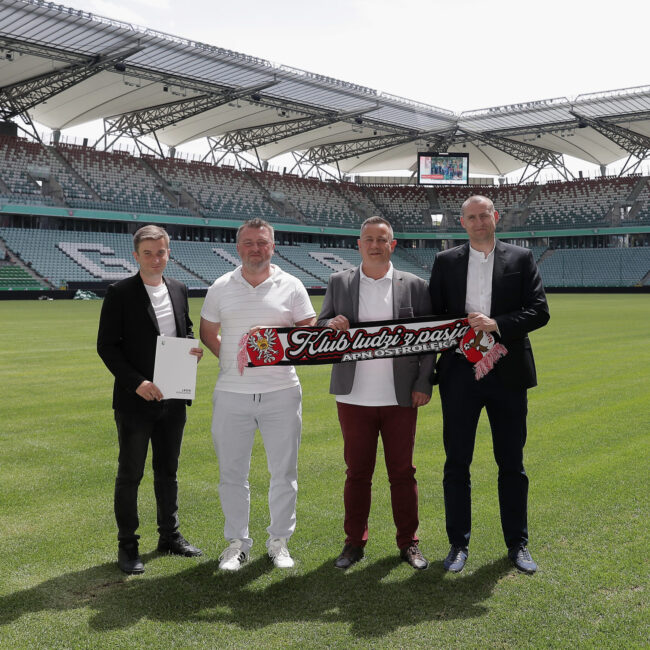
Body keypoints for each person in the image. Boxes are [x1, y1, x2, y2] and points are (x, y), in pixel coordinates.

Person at [428, 195, 550, 574]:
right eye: (472, 217)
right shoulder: (445, 261)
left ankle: (518, 544)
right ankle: (457, 544)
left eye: (485, 215)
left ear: (495, 217)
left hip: (507, 372)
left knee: (512, 462)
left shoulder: (521, 258)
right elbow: (434, 317)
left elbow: (540, 311)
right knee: (457, 462)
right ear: (462, 222)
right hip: (459, 374)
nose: (479, 222)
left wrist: (497, 324)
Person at [317, 216, 434, 571]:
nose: (375, 245)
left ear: (392, 245)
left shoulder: (415, 285)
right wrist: (329, 325)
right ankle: (354, 542)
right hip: (354, 397)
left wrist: (424, 382)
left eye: (382, 239)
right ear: (359, 244)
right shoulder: (339, 282)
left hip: (401, 396)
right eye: (368, 239)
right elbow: (320, 325)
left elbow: (430, 338)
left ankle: (409, 543)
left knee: (403, 473)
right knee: (357, 474)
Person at [199, 218, 316, 571]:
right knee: (232, 473)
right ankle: (237, 543)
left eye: (262, 242)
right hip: (231, 393)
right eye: (249, 243)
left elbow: (308, 330)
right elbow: (208, 332)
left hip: (282, 391)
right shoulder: (221, 286)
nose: (256, 249)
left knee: (284, 472)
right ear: (238, 248)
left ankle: (279, 541)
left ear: (272, 247)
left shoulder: (292, 285)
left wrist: (275, 344)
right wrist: (235, 360)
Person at [97, 225, 203, 575]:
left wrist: (192, 350)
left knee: (168, 472)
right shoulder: (120, 292)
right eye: (148, 253)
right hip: (136, 401)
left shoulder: (179, 288)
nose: (155, 259)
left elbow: (185, 329)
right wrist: (137, 383)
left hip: (174, 397)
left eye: (161, 252)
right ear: (136, 255)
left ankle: (169, 536)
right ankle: (128, 545)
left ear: (168, 253)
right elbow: (106, 346)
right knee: (131, 474)